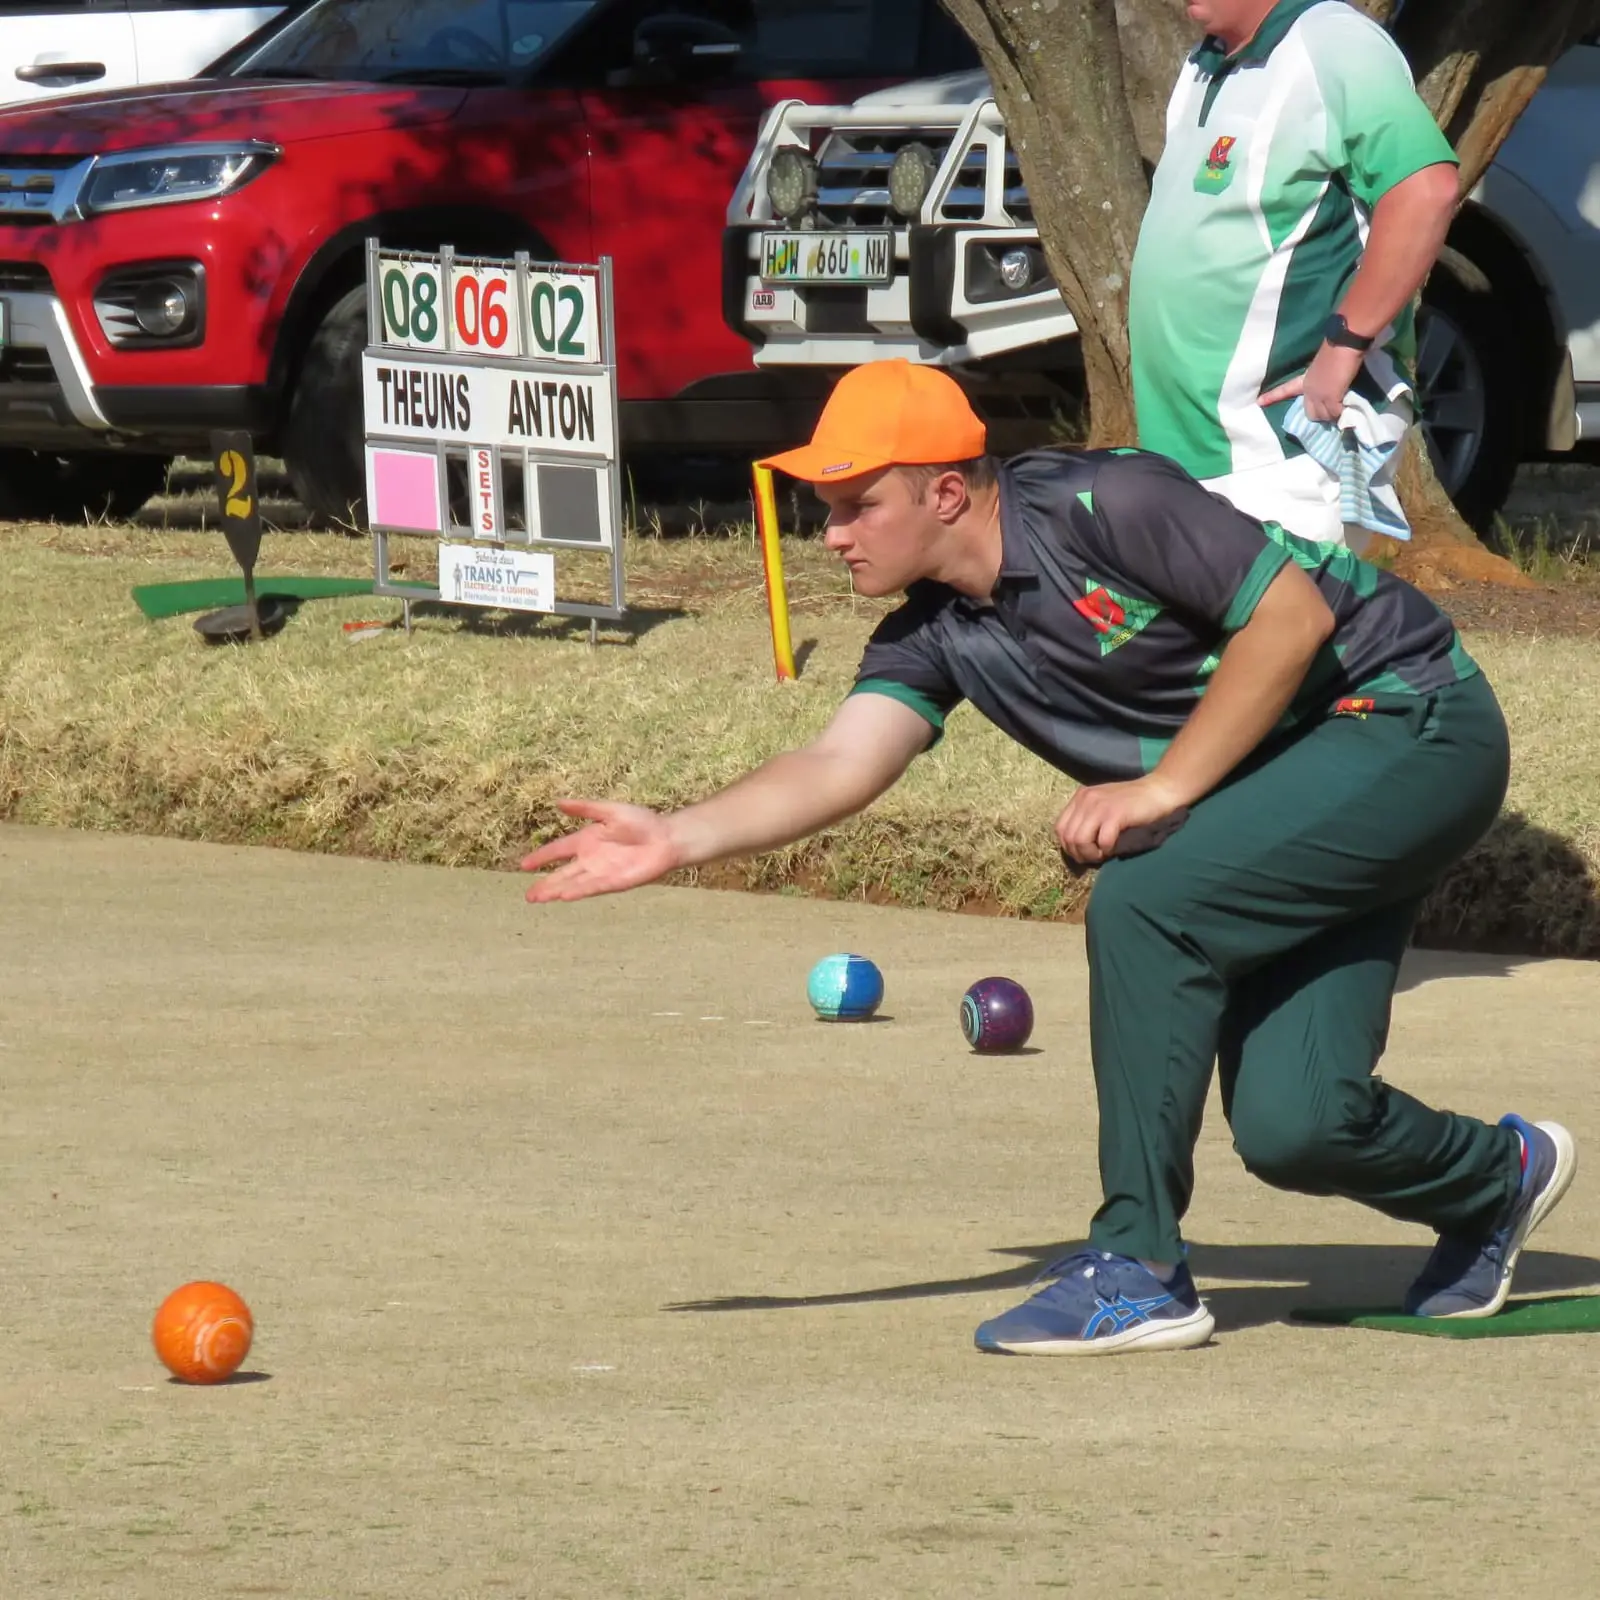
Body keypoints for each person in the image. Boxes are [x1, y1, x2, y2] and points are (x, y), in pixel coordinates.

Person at [521, 359, 1575, 1356]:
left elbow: (1289, 619)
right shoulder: (930, 633)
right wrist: (678, 833)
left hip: (1401, 719)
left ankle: (1138, 1263)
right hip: (1282, 790)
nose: (832, 533)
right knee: (1295, 1127)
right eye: (826, 508)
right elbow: (841, 758)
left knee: (1147, 900)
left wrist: (1162, 791)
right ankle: (1492, 1180)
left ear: (944, 493)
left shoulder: (1100, 502)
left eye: (856, 504)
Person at [1129, 0, 1462, 551]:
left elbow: (1426, 190)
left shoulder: (1331, 43)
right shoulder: (1204, 62)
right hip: (1194, 450)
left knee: (1289, 633)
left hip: (1286, 443)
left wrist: (1344, 344)